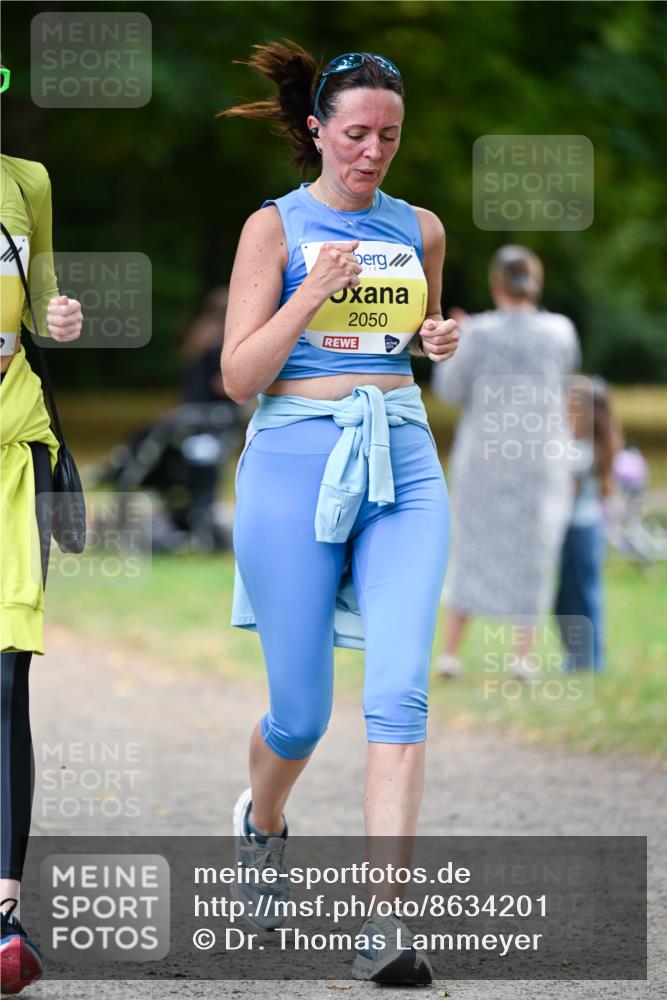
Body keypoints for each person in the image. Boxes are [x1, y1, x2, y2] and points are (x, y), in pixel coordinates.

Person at [220, 42, 458, 985]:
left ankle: (384, 929)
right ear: (317, 130)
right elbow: (240, 377)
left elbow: (419, 334)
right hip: (291, 463)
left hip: (399, 456)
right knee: (301, 713)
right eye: (355, 134)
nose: (370, 153)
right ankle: (261, 822)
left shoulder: (420, 228)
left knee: (399, 695)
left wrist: (439, 337)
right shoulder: (273, 229)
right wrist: (309, 292)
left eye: (387, 137)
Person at [0, 65, 83, 995]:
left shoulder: (26, 180)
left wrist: (59, 316)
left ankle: (4, 912)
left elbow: (48, 310)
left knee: (3, 676)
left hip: (15, 455)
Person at [432, 245, 580, 680]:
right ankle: (521, 656)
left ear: (496, 283)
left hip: (484, 456)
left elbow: (450, 391)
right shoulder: (561, 331)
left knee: (470, 546)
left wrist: (456, 335)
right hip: (540, 455)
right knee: (534, 550)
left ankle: (452, 653)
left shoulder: (479, 332)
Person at [555, 376, 620, 671]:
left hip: (578, 532)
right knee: (571, 597)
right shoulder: (586, 444)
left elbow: (567, 492)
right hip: (581, 530)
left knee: (579, 596)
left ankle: (590, 658)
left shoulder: (581, 450)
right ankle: (580, 656)